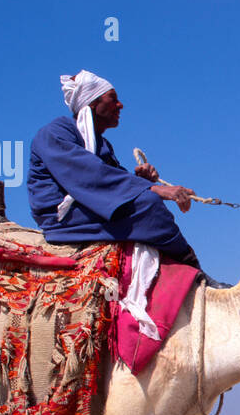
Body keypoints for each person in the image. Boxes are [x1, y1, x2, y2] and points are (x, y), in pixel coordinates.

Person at [27, 70, 203, 268]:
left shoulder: (102, 145)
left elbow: (111, 180)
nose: (120, 105)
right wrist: (153, 190)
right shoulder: (55, 133)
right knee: (149, 204)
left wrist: (144, 182)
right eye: (113, 99)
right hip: (62, 217)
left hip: (89, 207)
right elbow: (91, 175)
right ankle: (190, 265)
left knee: (146, 201)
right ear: (92, 103)